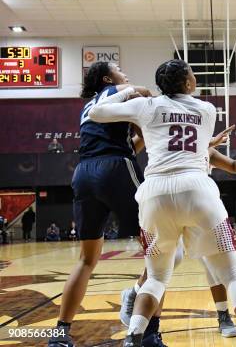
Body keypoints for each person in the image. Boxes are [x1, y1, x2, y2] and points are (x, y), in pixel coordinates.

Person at [88, 59, 236, 347]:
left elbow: (96, 112)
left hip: (155, 193)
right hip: (196, 189)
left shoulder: (148, 106)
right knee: (233, 275)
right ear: (187, 83)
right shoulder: (207, 110)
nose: (195, 78)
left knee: (156, 278)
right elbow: (197, 143)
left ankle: (133, 337)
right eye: (193, 75)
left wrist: (129, 91)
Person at [47, 62, 152, 347]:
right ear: (107, 78)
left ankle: (60, 334)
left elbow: (129, 143)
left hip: (84, 173)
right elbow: (143, 91)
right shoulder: (114, 90)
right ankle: (147, 327)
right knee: (157, 250)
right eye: (119, 69)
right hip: (115, 168)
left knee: (86, 259)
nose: (125, 72)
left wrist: (138, 134)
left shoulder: (89, 108)